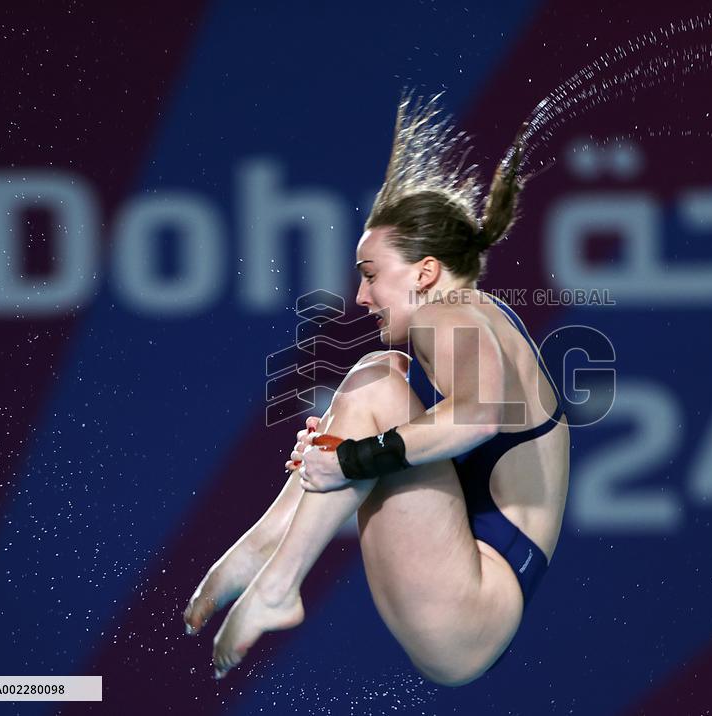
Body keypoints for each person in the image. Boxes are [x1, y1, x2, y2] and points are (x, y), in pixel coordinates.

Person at [183, 93, 570, 686]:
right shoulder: (473, 319)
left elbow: (481, 418)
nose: (361, 298)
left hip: (473, 607)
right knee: (374, 389)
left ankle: (278, 580)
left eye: (369, 276)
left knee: (374, 386)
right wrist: (343, 454)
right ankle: (268, 545)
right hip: (470, 606)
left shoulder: (452, 315)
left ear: (425, 271)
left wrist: (355, 456)